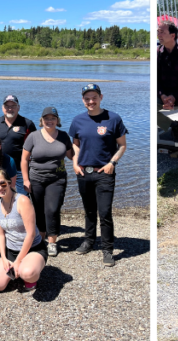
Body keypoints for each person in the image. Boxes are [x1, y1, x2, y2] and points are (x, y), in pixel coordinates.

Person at [70, 84, 128, 267]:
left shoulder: (113, 118)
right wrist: (74, 162)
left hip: (104, 173)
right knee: (88, 210)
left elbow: (123, 145)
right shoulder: (78, 120)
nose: (91, 101)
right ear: (83, 100)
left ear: (101, 97)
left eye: (94, 97)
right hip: (83, 172)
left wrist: (112, 163)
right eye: (87, 98)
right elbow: (76, 144)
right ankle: (88, 241)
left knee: (104, 213)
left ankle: (107, 249)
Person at [21, 107, 74, 257]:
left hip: (57, 179)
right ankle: (41, 238)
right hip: (36, 178)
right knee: (38, 210)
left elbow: (72, 155)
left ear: (57, 120)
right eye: (46, 118)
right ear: (41, 120)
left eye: (53, 118)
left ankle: (52, 242)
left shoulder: (63, 136)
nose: (49, 121)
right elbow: (24, 159)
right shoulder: (33, 136)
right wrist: (26, 179)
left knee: (52, 209)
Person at [0, 169, 47, 293]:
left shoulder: (22, 200)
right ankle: (16, 272)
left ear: (9, 183)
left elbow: (31, 234)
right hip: (11, 251)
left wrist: (18, 260)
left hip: (32, 249)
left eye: (2, 184)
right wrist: (3, 257)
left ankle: (28, 275)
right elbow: (0, 233)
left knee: (28, 273)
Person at [0, 95, 35, 195]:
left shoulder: (27, 124)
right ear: (3, 108)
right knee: (2, 196)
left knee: (22, 197)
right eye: (7, 106)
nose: (10, 109)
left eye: (13, 106)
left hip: (21, 169)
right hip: (1, 168)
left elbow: (34, 146)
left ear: (18, 107)